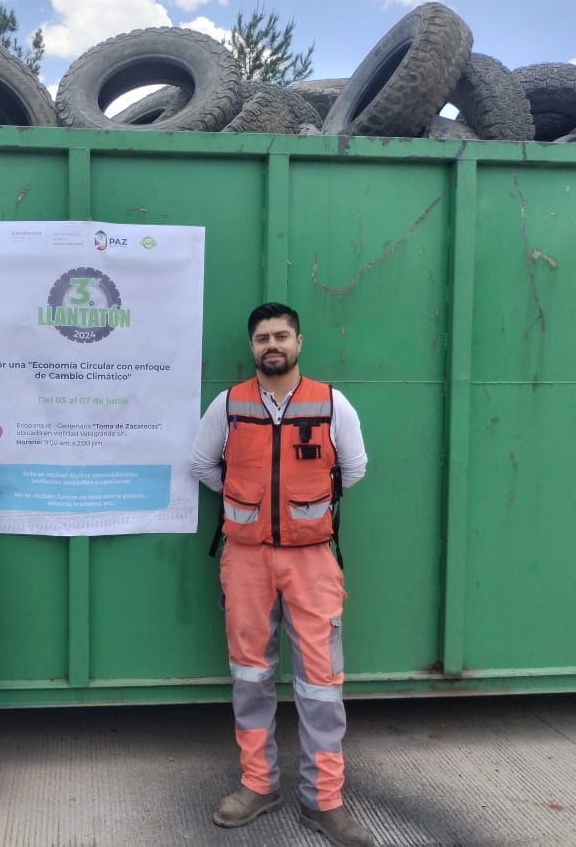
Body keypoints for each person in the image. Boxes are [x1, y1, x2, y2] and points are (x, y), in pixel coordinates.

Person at [189, 302, 372, 847]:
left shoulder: (333, 404)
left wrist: (298, 507)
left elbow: (355, 468)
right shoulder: (227, 405)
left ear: (299, 341)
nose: (273, 344)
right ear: (252, 347)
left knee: (320, 682)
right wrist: (247, 501)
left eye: (282, 336)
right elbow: (202, 465)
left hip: (312, 559)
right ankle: (257, 784)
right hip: (245, 559)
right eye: (263, 337)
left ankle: (324, 800)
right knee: (250, 677)